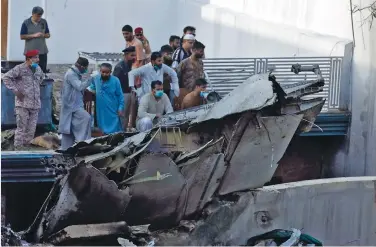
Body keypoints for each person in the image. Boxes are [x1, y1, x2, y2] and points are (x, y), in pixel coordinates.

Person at [2, 50, 45, 150]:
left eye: (38, 57)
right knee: (21, 128)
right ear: (29, 59)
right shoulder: (20, 68)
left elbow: (42, 78)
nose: (38, 60)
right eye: (35, 58)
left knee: (31, 129)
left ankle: (26, 147)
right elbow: (6, 77)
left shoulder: (38, 68)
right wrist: (16, 91)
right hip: (23, 104)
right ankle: (18, 148)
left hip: (35, 104)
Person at [59, 57, 93, 150]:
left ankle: (69, 149)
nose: (85, 70)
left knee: (68, 129)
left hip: (73, 105)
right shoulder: (71, 74)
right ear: (81, 66)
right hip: (72, 106)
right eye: (85, 68)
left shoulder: (76, 74)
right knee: (86, 118)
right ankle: (82, 145)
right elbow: (79, 86)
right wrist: (90, 79)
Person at [88, 63, 124, 134]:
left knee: (115, 131)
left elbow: (120, 95)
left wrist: (120, 108)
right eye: (103, 72)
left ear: (110, 72)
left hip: (113, 110)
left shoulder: (116, 80)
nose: (104, 74)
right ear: (100, 71)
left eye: (107, 72)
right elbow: (92, 88)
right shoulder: (96, 78)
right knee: (101, 130)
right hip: (100, 111)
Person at [175, 41, 206, 109]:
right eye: (201, 51)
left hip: (198, 94)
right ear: (194, 50)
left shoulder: (200, 63)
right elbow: (176, 77)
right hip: (186, 94)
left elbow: (202, 77)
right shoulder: (184, 62)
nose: (202, 53)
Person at [20, 7, 50, 73]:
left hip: (42, 51)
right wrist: (33, 35)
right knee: (31, 71)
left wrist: (43, 35)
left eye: (40, 16)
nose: (38, 18)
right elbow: (22, 36)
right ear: (33, 14)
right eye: (37, 16)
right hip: (31, 52)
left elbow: (48, 35)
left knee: (42, 71)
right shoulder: (26, 23)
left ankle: (41, 82)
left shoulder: (43, 22)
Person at [113, 46, 136, 129]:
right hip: (122, 95)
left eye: (135, 55)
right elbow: (115, 84)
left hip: (129, 93)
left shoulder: (129, 66)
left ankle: (123, 133)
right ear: (126, 55)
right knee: (122, 116)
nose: (134, 57)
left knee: (126, 116)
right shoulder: (119, 67)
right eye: (132, 55)